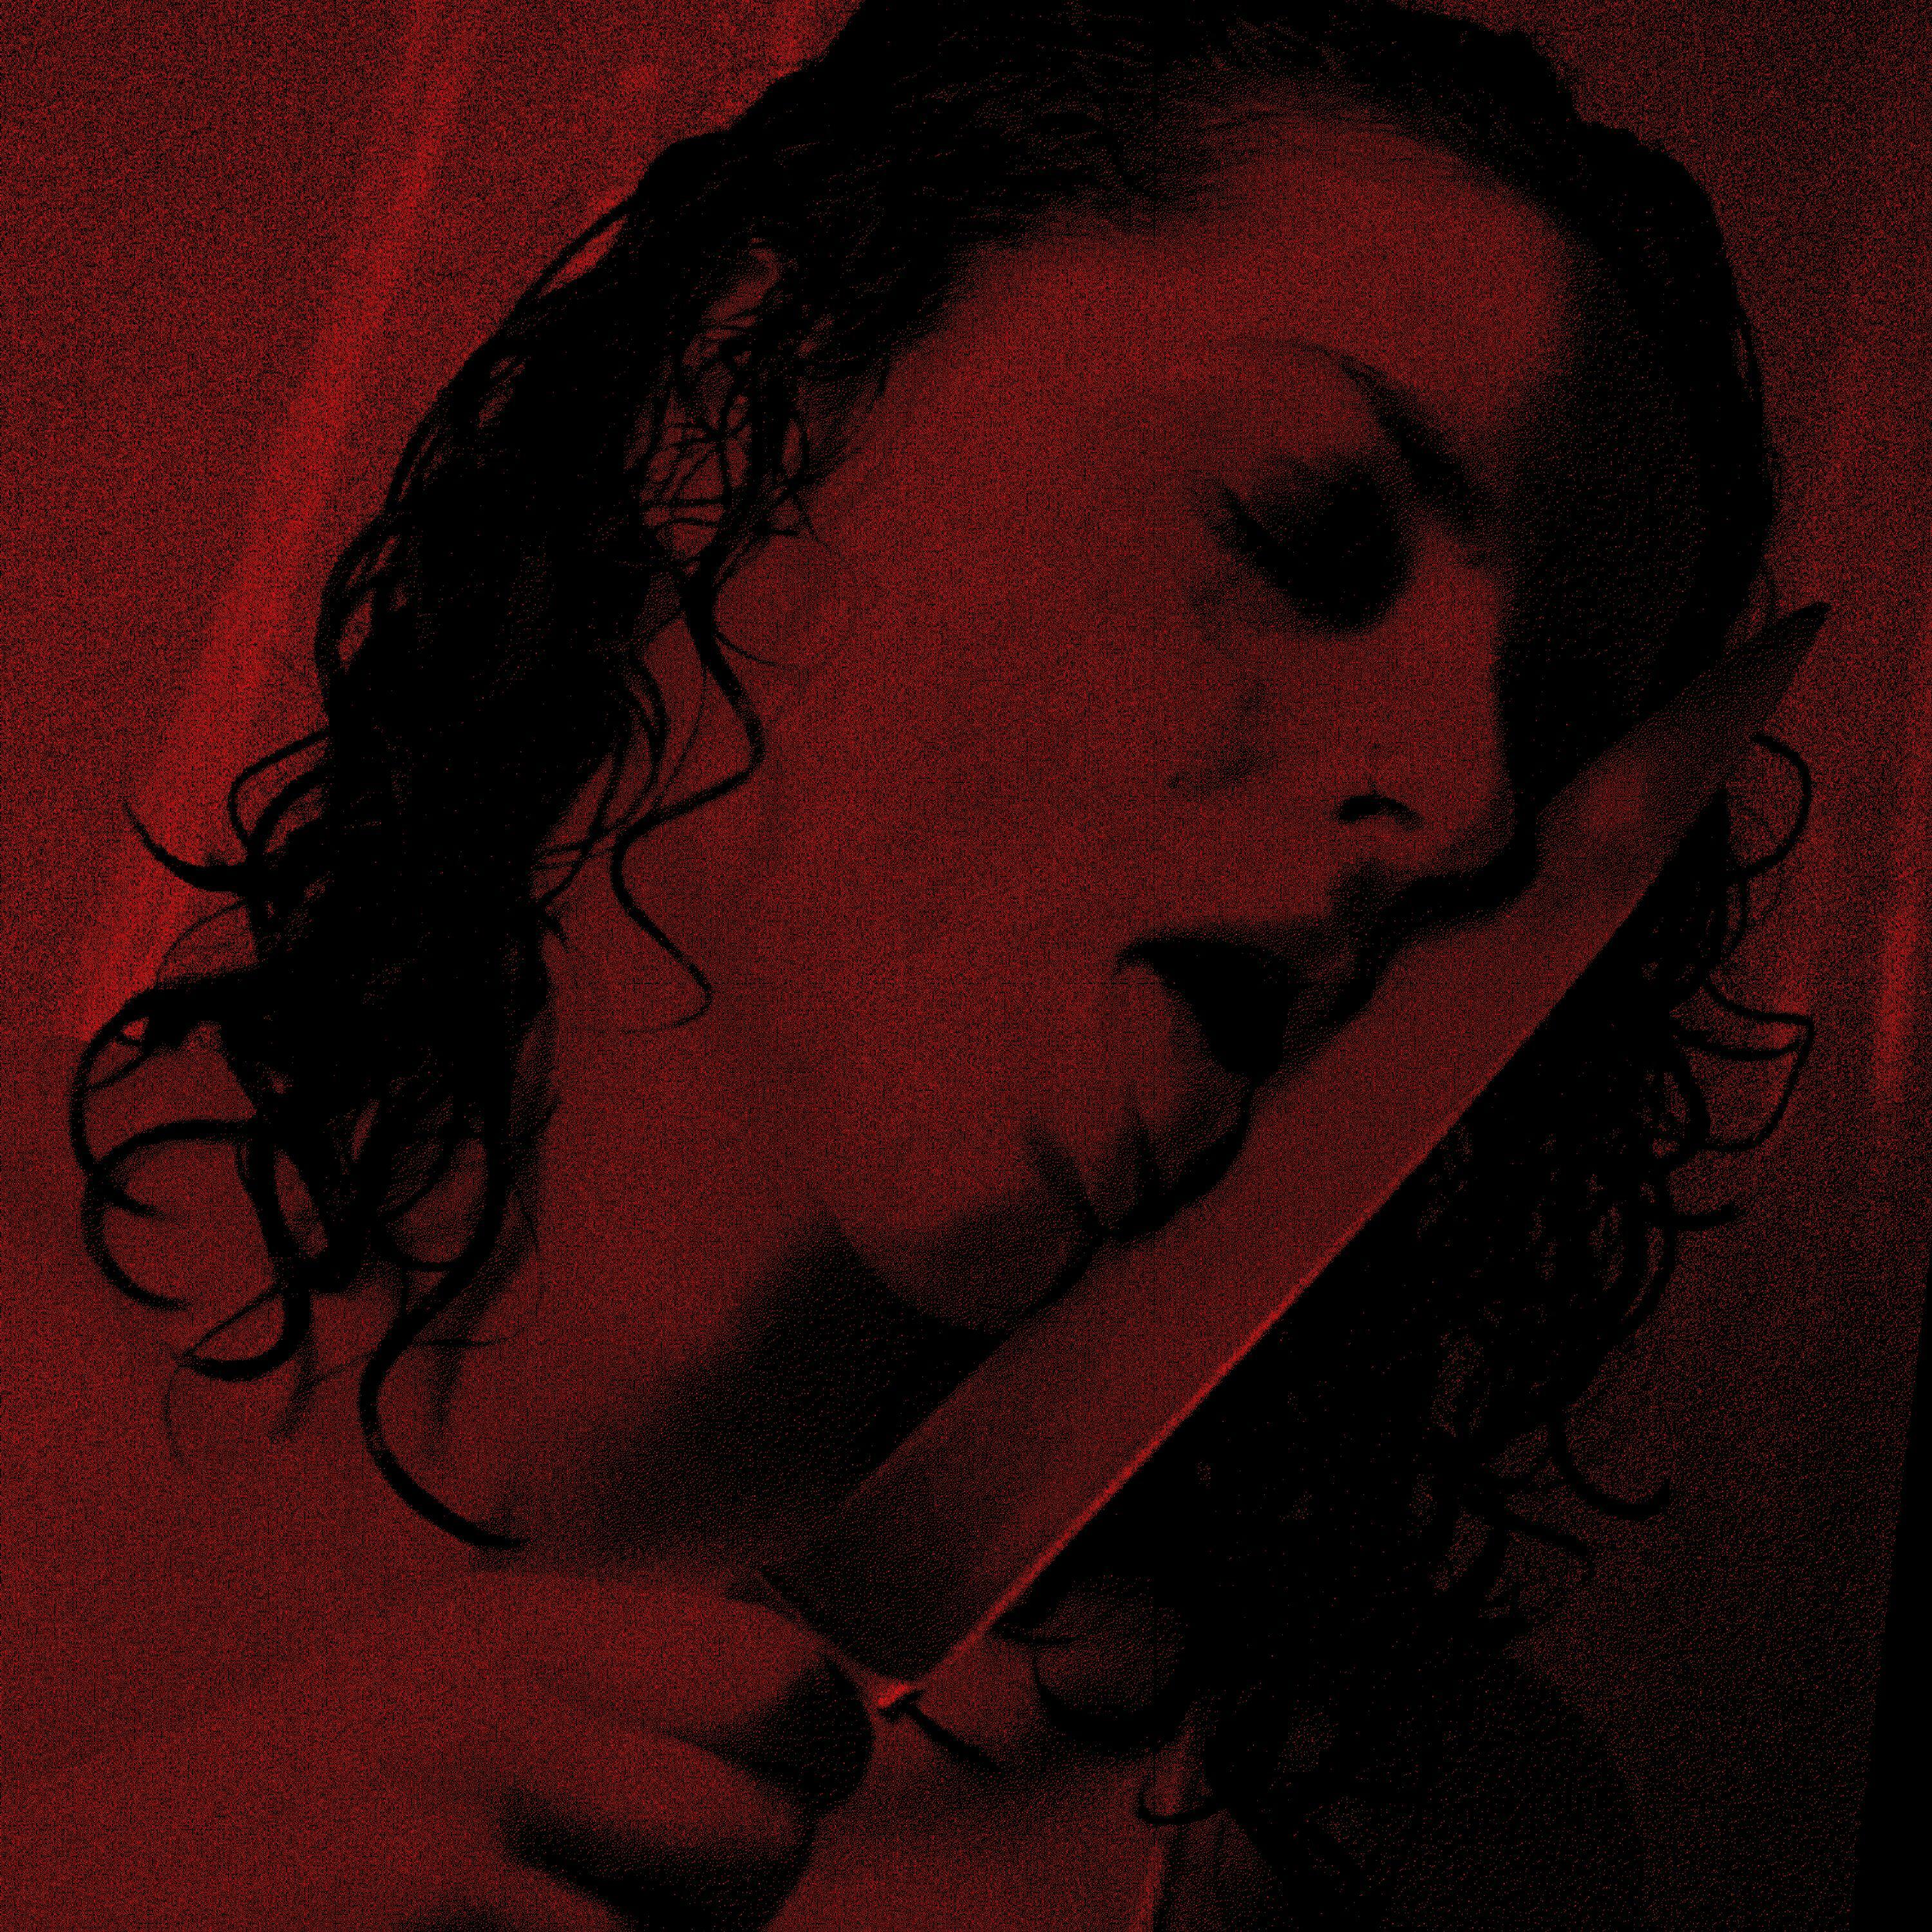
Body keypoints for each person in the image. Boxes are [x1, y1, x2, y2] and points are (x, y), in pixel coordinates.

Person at [8, 1, 1814, 1926]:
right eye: (1307, 530)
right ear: (753, 392)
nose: (1469, 807)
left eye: (1552, 742)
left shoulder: (1394, 1852)